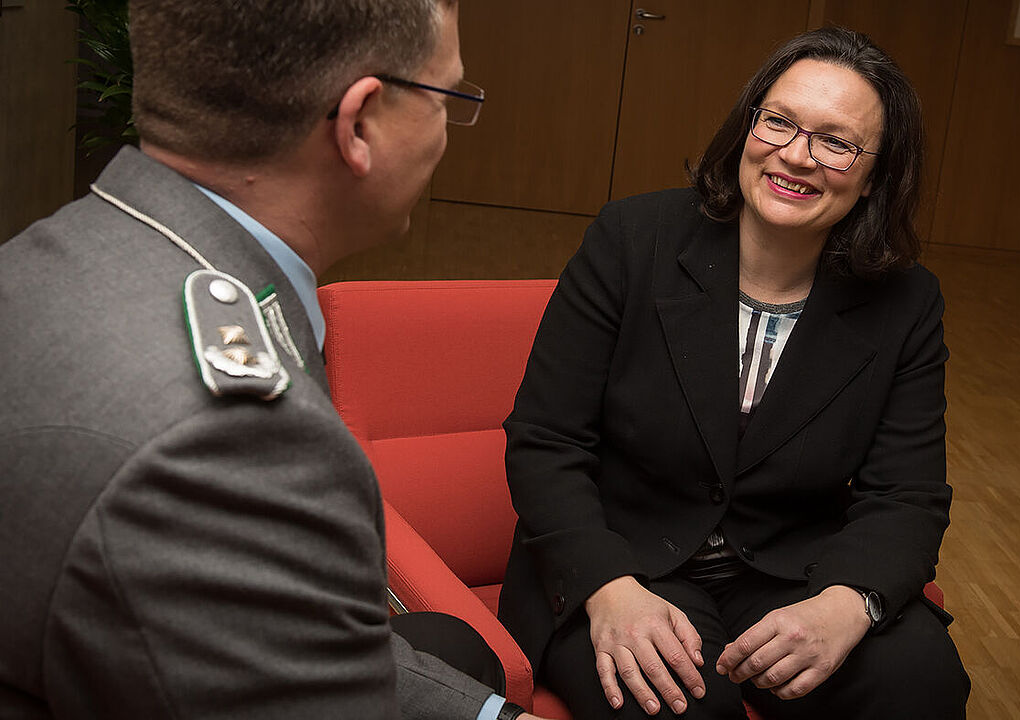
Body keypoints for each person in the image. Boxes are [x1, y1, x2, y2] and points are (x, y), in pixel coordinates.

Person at [0, 1, 544, 719]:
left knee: (451, 649)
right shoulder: (242, 444)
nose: (450, 130)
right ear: (360, 125)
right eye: (447, 98)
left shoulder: (53, 254)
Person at [498, 27, 969, 719]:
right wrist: (609, 587)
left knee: (920, 679)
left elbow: (907, 495)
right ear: (747, 125)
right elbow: (546, 440)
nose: (796, 156)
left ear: (877, 176)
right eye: (778, 122)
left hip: (791, 571)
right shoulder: (632, 239)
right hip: (627, 559)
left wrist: (847, 605)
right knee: (679, 707)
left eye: (836, 142)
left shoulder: (906, 301)